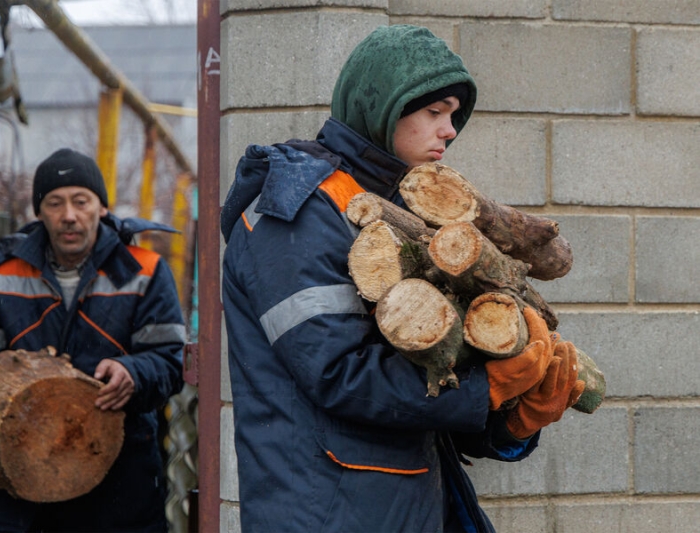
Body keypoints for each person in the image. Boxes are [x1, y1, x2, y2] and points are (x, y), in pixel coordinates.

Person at [220, 24, 585, 532]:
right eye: (433, 112)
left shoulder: (402, 213)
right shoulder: (295, 213)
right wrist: (486, 390)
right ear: (381, 108)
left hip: (402, 506)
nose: (449, 130)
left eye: (453, 115)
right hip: (329, 514)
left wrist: (511, 419)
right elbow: (339, 374)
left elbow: (429, 389)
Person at [0, 148, 186, 532]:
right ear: (39, 212)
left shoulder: (145, 270)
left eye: (82, 201)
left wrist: (133, 373)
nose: (69, 216)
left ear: (103, 208)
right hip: (15, 481)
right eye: (55, 203)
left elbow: (170, 361)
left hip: (120, 482)